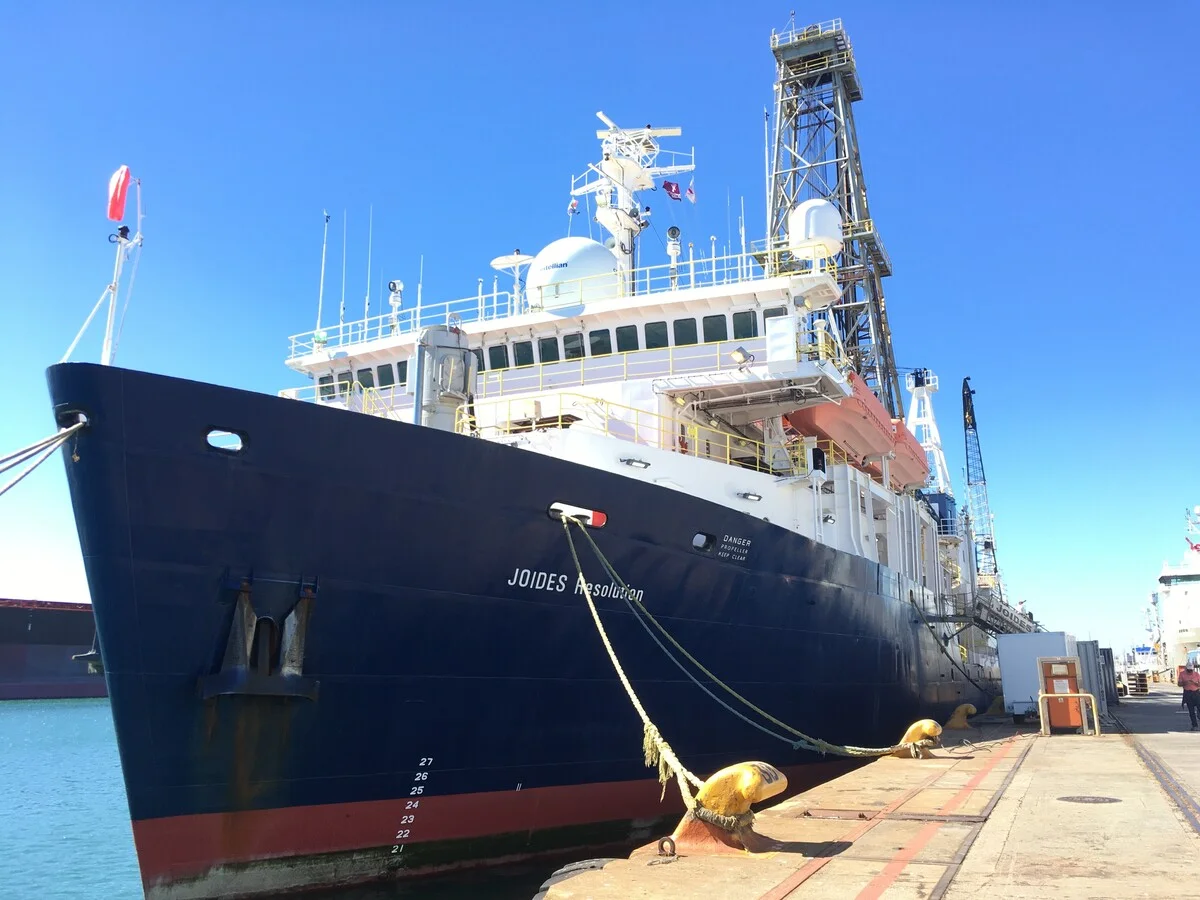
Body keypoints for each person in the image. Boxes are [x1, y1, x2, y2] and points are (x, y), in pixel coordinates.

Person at [1180, 662, 1200, 730]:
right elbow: (1179, 684)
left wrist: (1194, 683)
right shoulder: (1182, 674)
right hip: (1188, 694)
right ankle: (1195, 725)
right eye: (1189, 670)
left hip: (1196, 693)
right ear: (1186, 669)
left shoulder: (1197, 674)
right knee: (1191, 711)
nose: (1190, 671)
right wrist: (1185, 683)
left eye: (1191, 670)